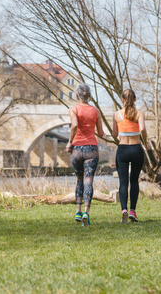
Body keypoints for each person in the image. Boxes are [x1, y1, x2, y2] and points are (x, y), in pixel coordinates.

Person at [66, 84, 104, 226]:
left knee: (79, 180)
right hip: (91, 149)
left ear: (77, 96)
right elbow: (100, 133)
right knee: (88, 181)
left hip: (77, 149)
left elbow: (74, 125)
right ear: (89, 96)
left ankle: (78, 211)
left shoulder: (73, 109)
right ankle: (86, 213)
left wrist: (70, 142)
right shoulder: (96, 111)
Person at [112, 89, 149, 224]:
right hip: (136, 149)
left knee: (123, 182)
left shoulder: (117, 115)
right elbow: (143, 129)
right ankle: (133, 210)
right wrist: (147, 143)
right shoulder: (139, 114)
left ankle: (124, 210)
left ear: (122, 99)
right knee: (134, 181)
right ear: (135, 99)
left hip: (122, 150)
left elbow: (114, 134)